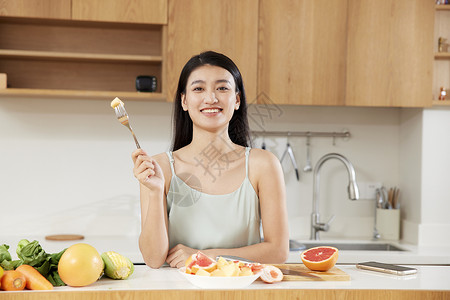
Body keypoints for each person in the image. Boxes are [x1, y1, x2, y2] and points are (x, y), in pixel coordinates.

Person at [131, 51, 289, 269]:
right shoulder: (161, 168)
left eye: (222, 88)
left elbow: (278, 251)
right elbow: (153, 259)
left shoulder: (263, 164)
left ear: (237, 100)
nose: (211, 98)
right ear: (184, 101)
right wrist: (155, 191)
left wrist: (205, 256)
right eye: (198, 88)